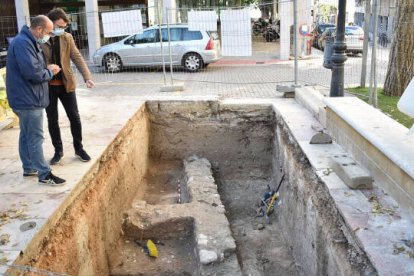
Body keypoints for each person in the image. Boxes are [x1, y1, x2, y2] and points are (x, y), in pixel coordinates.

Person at [6, 15, 66, 186]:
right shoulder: (23, 43)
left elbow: (32, 67)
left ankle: (29, 167)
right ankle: (44, 174)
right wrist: (50, 72)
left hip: (25, 97)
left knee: (26, 134)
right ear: (39, 29)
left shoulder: (27, 41)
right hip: (28, 99)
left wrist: (45, 68)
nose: (49, 35)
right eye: (48, 32)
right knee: (35, 137)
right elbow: (32, 73)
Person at [40, 8, 95, 165]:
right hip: (48, 85)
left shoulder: (66, 37)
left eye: (63, 27)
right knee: (52, 119)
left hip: (66, 84)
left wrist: (87, 77)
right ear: (50, 23)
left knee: (75, 117)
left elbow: (77, 56)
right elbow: (35, 61)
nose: (61, 30)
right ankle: (58, 151)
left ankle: (79, 148)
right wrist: (47, 66)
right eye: (58, 26)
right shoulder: (40, 39)